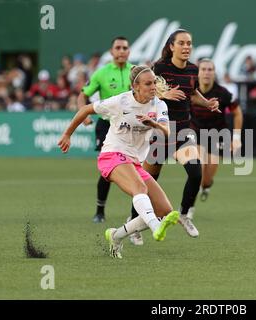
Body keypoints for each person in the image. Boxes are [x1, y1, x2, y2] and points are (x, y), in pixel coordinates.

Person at [58, 66, 180, 259]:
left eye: (154, 83)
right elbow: (85, 109)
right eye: (148, 84)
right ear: (135, 86)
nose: (153, 87)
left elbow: (166, 131)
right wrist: (67, 134)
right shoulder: (120, 101)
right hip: (112, 155)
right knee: (139, 188)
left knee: (165, 211)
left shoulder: (159, 105)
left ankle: (116, 235)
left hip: (133, 162)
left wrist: (153, 124)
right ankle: (155, 227)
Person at [128, 29, 220, 241]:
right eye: (182, 43)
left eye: (189, 43)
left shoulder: (192, 69)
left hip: (183, 131)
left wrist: (206, 103)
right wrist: (163, 93)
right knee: (146, 184)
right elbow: (139, 89)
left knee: (196, 173)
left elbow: (192, 93)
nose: (187, 47)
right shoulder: (159, 68)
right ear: (171, 46)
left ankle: (186, 215)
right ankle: (132, 225)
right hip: (160, 132)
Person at [77, 36, 133, 224]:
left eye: (125, 48)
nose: (121, 51)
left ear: (129, 51)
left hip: (131, 126)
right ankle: (100, 211)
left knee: (137, 168)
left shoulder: (136, 72)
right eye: (118, 47)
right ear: (111, 52)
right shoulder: (101, 73)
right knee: (107, 171)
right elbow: (83, 95)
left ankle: (137, 212)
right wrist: (84, 114)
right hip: (107, 125)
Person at [189, 58, 243, 208]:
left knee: (206, 178)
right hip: (196, 133)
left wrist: (236, 137)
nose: (206, 72)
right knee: (197, 171)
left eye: (210, 69)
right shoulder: (190, 91)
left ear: (214, 73)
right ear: (197, 73)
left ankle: (207, 186)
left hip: (217, 135)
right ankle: (189, 209)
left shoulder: (223, 93)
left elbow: (237, 113)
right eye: (203, 69)